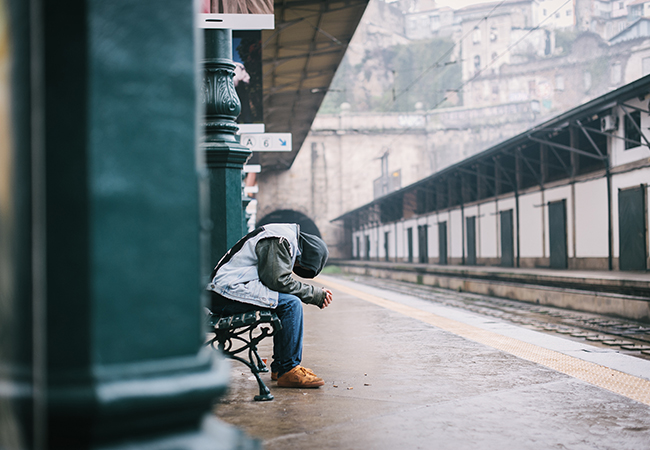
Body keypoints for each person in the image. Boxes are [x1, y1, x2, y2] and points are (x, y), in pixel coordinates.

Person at [207, 223, 333, 388]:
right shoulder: (280, 239)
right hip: (226, 292)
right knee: (291, 304)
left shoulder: (282, 236)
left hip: (226, 291)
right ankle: (289, 369)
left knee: (287, 302)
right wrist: (315, 294)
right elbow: (277, 280)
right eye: (299, 266)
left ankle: (281, 367)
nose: (294, 267)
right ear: (304, 256)